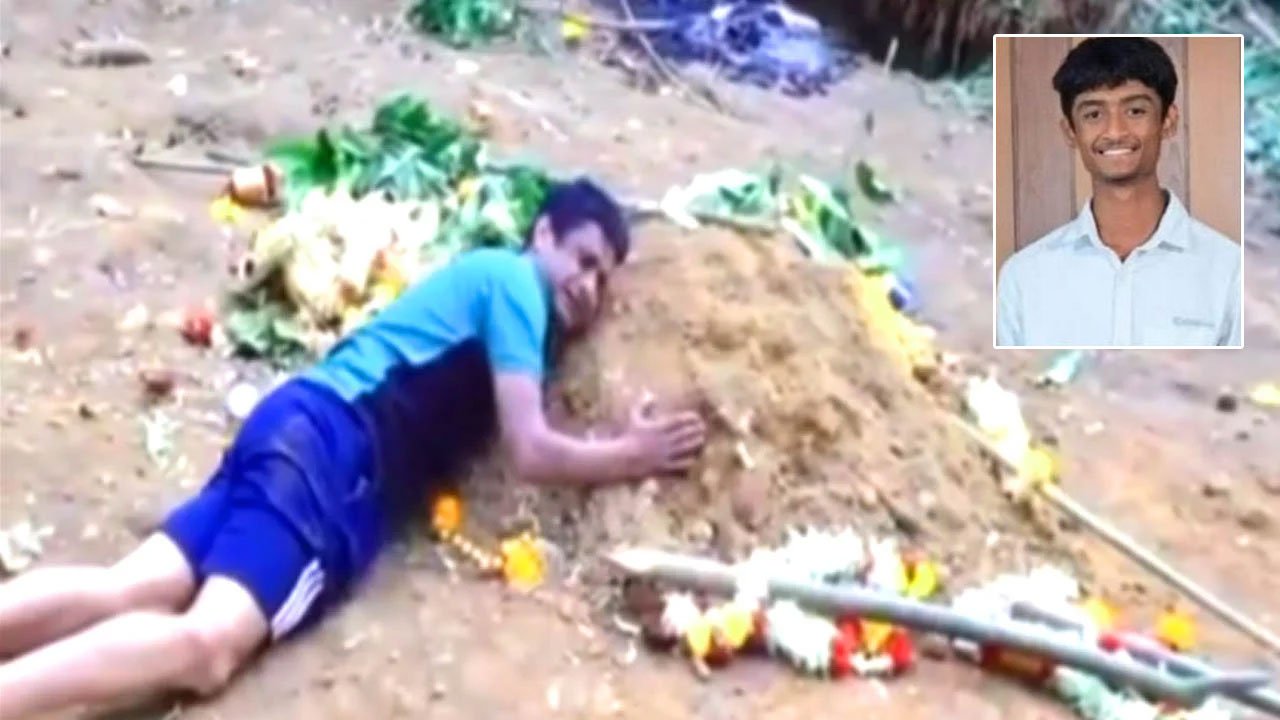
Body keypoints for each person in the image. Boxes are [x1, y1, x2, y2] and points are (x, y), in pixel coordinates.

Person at [0, 178, 708, 718]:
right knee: (209, 645)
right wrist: (631, 454)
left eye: (603, 279)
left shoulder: (490, 280)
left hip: (296, 420)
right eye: (583, 260)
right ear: (543, 234)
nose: (588, 286)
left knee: (132, 587)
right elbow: (531, 448)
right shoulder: (517, 285)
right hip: (334, 462)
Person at [997, 36, 1241, 347]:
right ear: (1070, 132)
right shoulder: (1023, 277)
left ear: (1168, 121)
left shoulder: (1231, 272)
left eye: (1135, 111)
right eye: (1093, 114)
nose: (1115, 132)